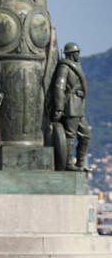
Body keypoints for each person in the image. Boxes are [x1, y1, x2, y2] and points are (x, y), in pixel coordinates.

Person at [51, 41, 92, 171]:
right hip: (70, 107)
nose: (79, 55)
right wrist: (59, 107)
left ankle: (80, 163)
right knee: (70, 136)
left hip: (78, 108)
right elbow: (59, 87)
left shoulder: (76, 66)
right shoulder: (64, 68)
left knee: (86, 136)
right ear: (72, 54)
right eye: (77, 52)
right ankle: (68, 163)